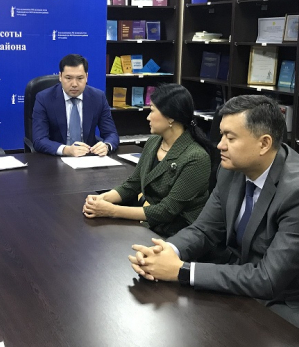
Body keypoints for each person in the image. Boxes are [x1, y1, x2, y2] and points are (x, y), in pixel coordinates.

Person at [128, 95, 299, 329]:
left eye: (230, 138)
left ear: (264, 143)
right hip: (242, 278)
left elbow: (268, 279)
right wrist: (166, 251)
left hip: (289, 302)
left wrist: (181, 271)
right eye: (222, 135)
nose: (220, 145)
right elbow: (204, 230)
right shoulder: (230, 169)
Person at [83, 84, 214, 237]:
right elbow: (132, 184)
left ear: (170, 117)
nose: (148, 117)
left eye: (152, 111)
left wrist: (112, 210)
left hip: (180, 233)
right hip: (153, 224)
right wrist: (101, 199)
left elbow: (167, 211)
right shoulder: (153, 142)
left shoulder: (196, 157)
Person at [32, 54, 119, 157]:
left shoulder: (98, 97)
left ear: (86, 77)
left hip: (88, 158)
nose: (74, 84)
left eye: (80, 78)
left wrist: (106, 146)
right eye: (68, 78)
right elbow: (39, 140)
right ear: (60, 76)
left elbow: (111, 134)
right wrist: (66, 150)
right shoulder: (44, 98)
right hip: (56, 159)